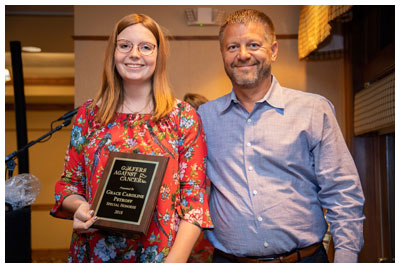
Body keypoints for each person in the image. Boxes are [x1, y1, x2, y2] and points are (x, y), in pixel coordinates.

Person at [197, 9, 365, 263]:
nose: (243, 55)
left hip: (304, 259)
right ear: (223, 54)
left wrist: (346, 258)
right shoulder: (203, 118)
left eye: (253, 44)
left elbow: (343, 192)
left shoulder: (313, 110)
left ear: (273, 50)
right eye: (233, 47)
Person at [50, 13, 213, 263]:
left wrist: (173, 263)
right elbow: (70, 185)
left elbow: (195, 203)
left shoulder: (183, 117)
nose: (134, 54)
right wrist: (81, 208)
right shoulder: (88, 115)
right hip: (95, 252)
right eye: (125, 45)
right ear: (113, 53)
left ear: (159, 55)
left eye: (146, 47)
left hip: (162, 256)